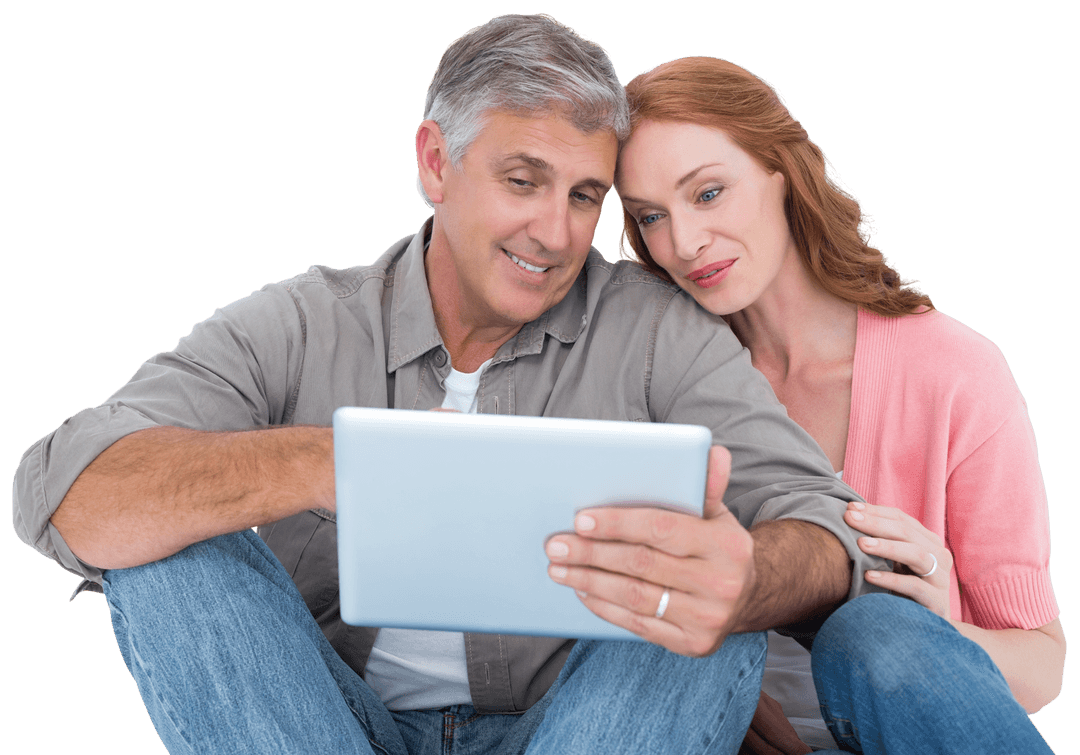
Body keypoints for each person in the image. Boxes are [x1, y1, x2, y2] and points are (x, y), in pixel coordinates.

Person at [12, 17, 884, 754]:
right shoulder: (304, 320)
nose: (554, 231)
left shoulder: (657, 330)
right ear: (435, 163)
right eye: (521, 180)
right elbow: (65, 484)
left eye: (585, 196)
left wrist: (745, 578)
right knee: (168, 547)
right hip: (328, 726)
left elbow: (823, 525)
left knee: (705, 604)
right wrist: (331, 463)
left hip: (575, 726)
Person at [615, 56, 1065, 754]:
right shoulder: (652, 385)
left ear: (783, 173)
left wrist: (937, 632)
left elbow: (1044, 664)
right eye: (650, 215)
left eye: (707, 193)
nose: (683, 242)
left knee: (875, 631)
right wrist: (718, 688)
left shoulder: (956, 370)